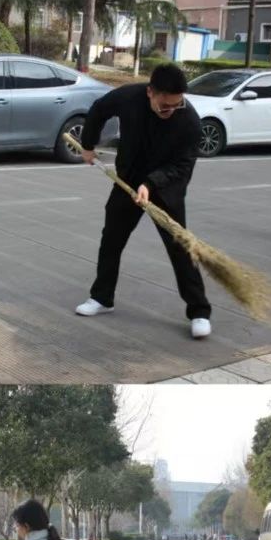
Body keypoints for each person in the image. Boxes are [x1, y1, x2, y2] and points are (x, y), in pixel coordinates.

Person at [75, 63, 213, 339]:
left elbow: (182, 165)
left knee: (180, 248)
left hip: (166, 187)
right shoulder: (128, 97)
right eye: (165, 105)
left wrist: (150, 184)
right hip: (128, 180)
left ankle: (199, 311)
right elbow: (99, 109)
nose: (171, 110)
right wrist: (88, 145)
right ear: (150, 92)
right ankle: (102, 297)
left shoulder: (189, 121)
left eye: (176, 104)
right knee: (111, 239)